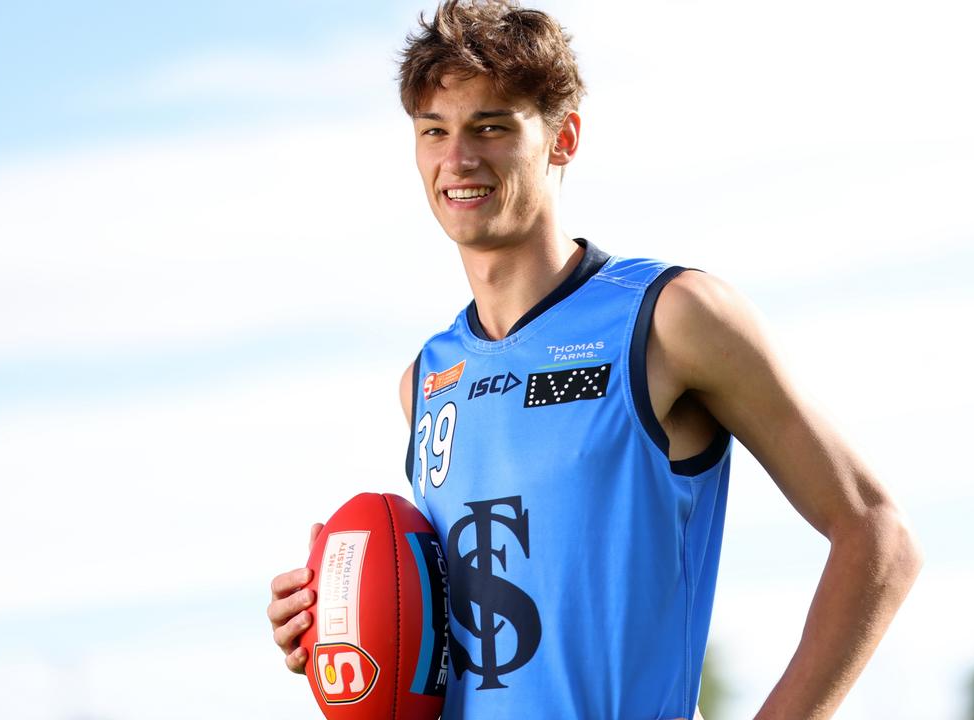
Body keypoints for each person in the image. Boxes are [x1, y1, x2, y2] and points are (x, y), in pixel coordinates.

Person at [267, 1, 923, 718]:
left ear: (562, 139)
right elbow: (475, 638)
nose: (458, 159)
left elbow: (878, 537)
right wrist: (345, 630)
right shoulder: (426, 380)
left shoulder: (670, 317)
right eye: (435, 132)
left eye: (491, 127)